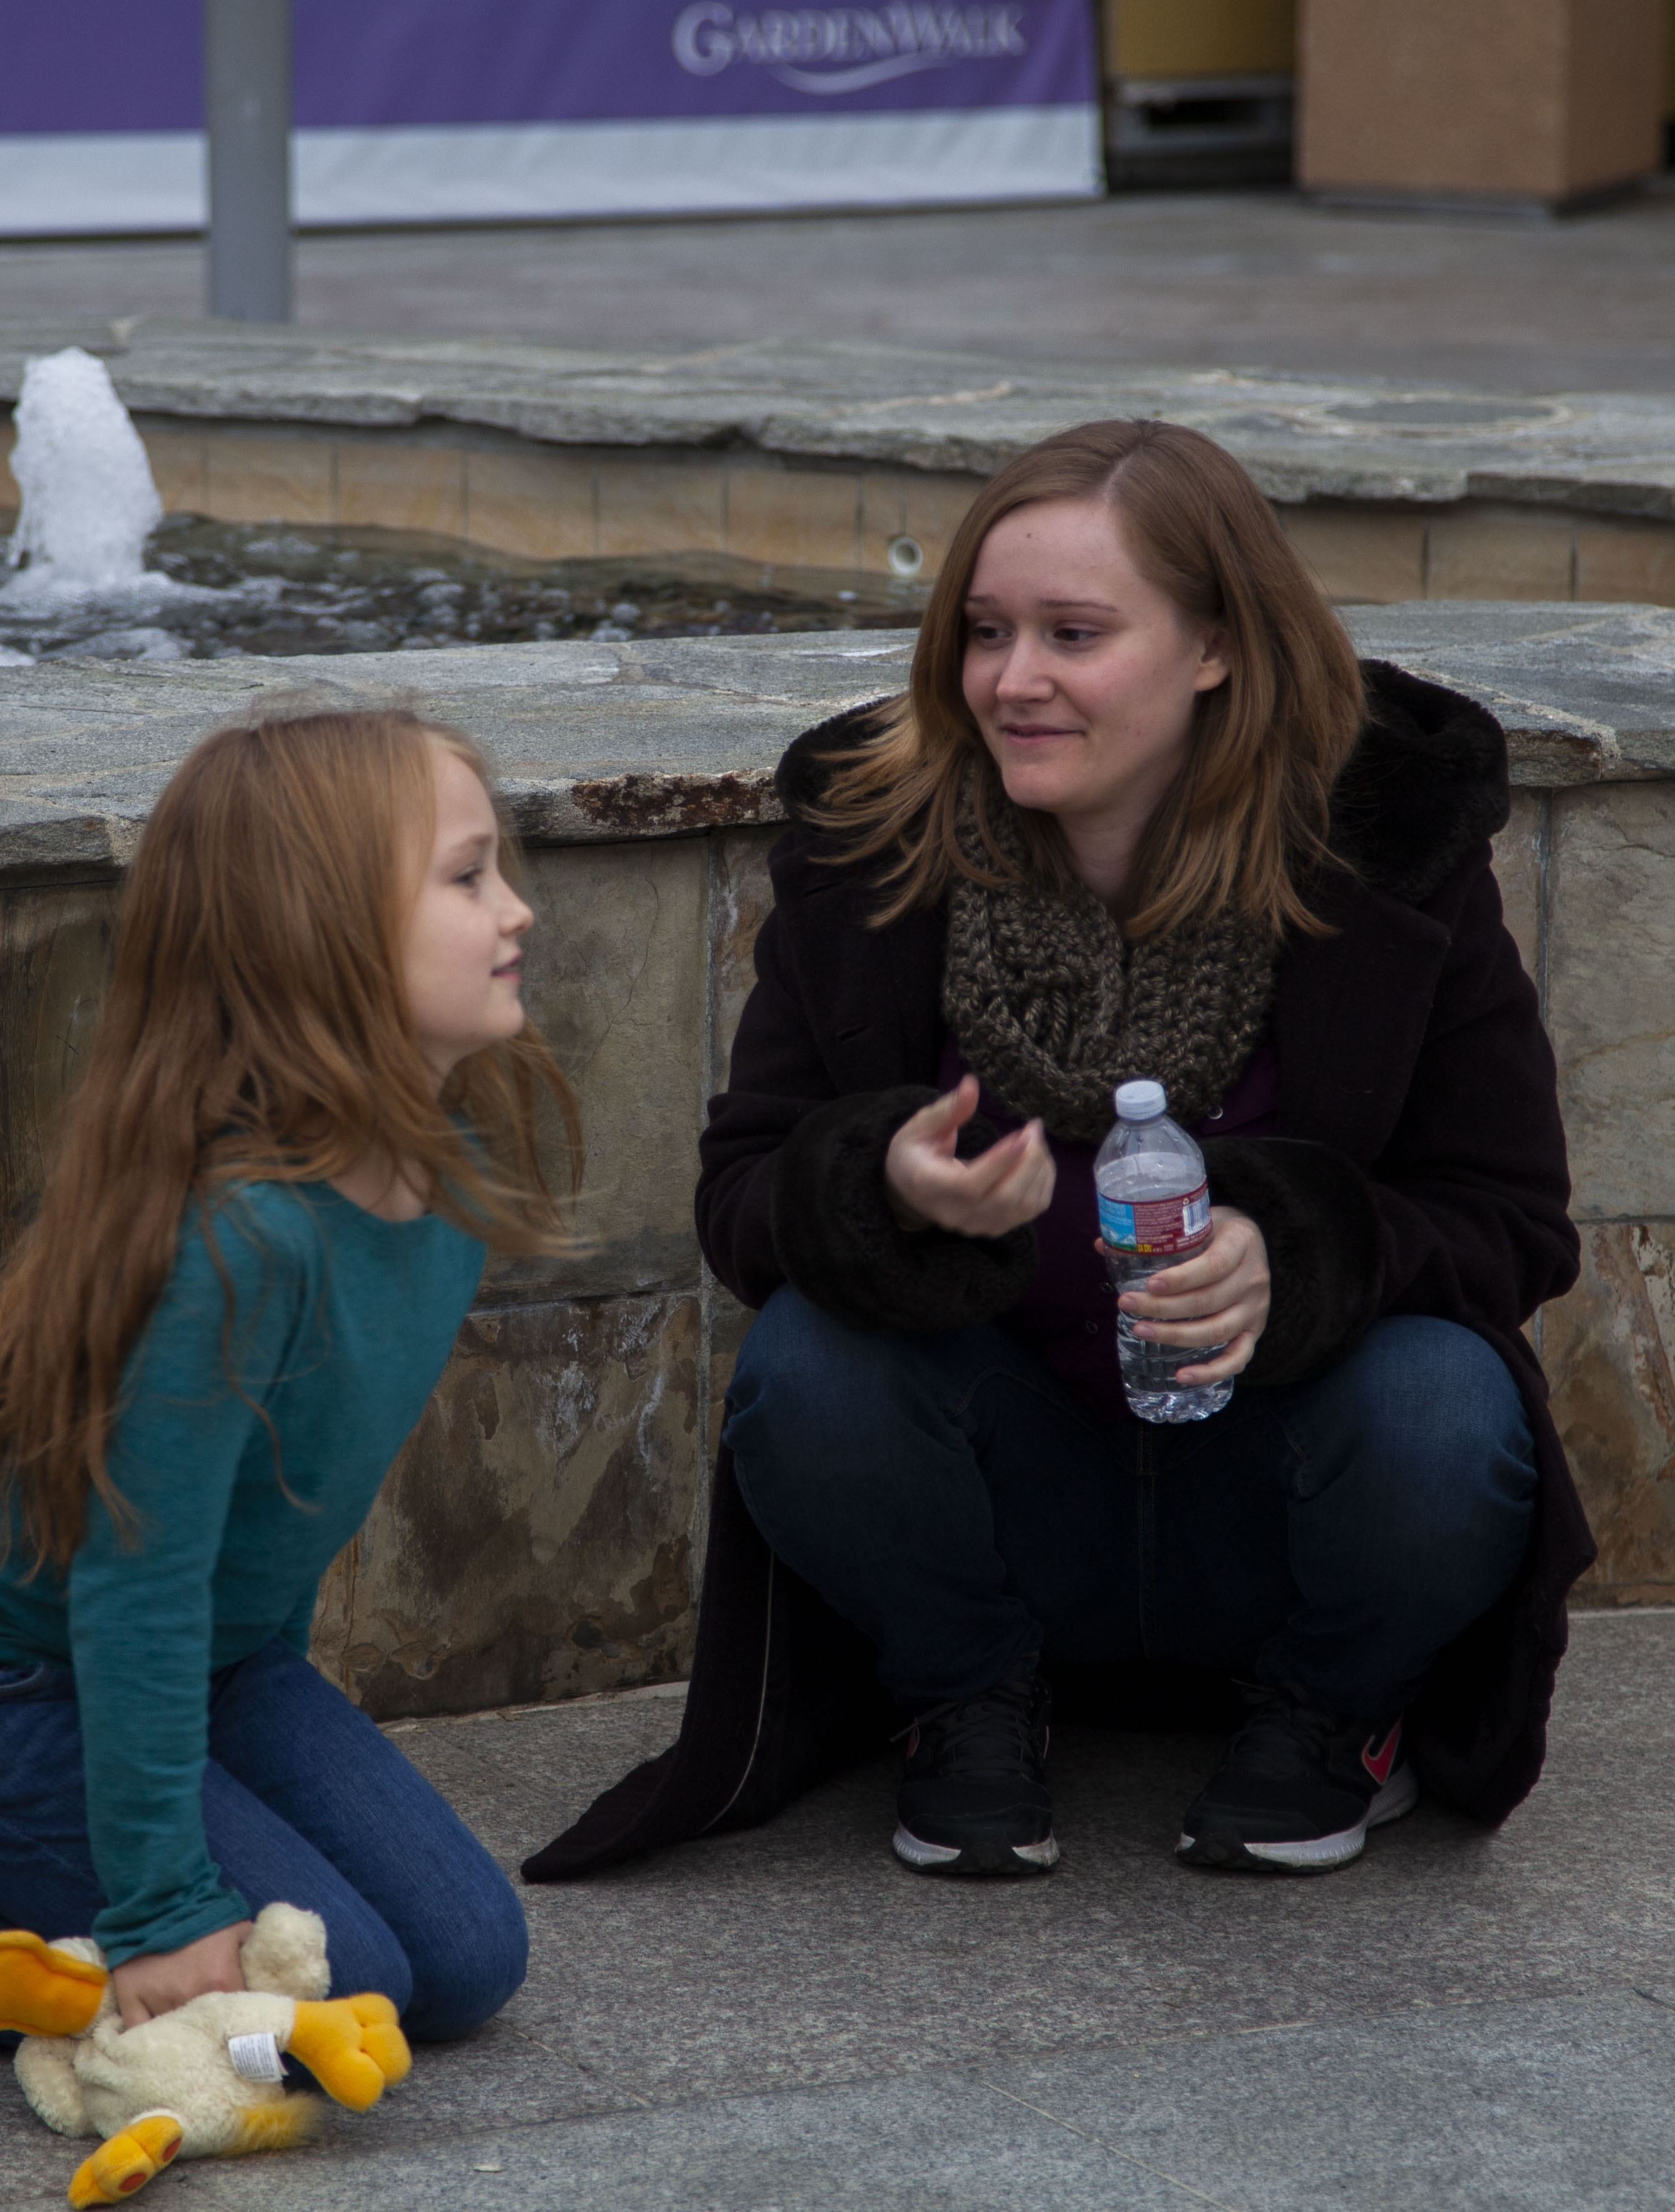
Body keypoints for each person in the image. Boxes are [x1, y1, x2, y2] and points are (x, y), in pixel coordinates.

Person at [524, 418, 1590, 1891]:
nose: (1012, 679)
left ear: (1213, 646)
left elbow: (1510, 1220)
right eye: (986, 632)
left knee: (1444, 1400)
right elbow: (743, 1191)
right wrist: (880, 1187)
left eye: (1072, 634)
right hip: (1006, 1497)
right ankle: (961, 1695)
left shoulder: (1381, 860)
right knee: (807, 1368)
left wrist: (1294, 1253)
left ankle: (1334, 1712)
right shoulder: (870, 851)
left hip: (1280, 1499)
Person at [0, 708, 576, 2039]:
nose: (516, 908)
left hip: (204, 1663)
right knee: (337, 1994)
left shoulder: (447, 1175)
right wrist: (167, 1903)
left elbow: (271, 1522)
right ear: (321, 931)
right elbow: (138, 1587)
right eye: (467, 876)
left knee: (465, 1959)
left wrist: (249, 1796)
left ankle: (52, 1858)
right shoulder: (240, 1241)